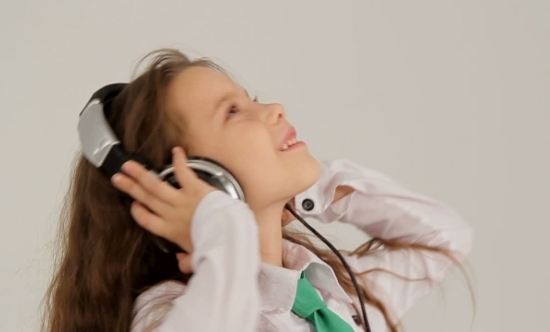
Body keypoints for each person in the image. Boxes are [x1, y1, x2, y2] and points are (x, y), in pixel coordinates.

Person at [43, 48, 474, 332]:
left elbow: (443, 236)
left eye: (251, 98)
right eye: (233, 111)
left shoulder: (329, 294)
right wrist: (221, 227)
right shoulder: (170, 313)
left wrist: (311, 186)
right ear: (191, 177)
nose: (273, 108)